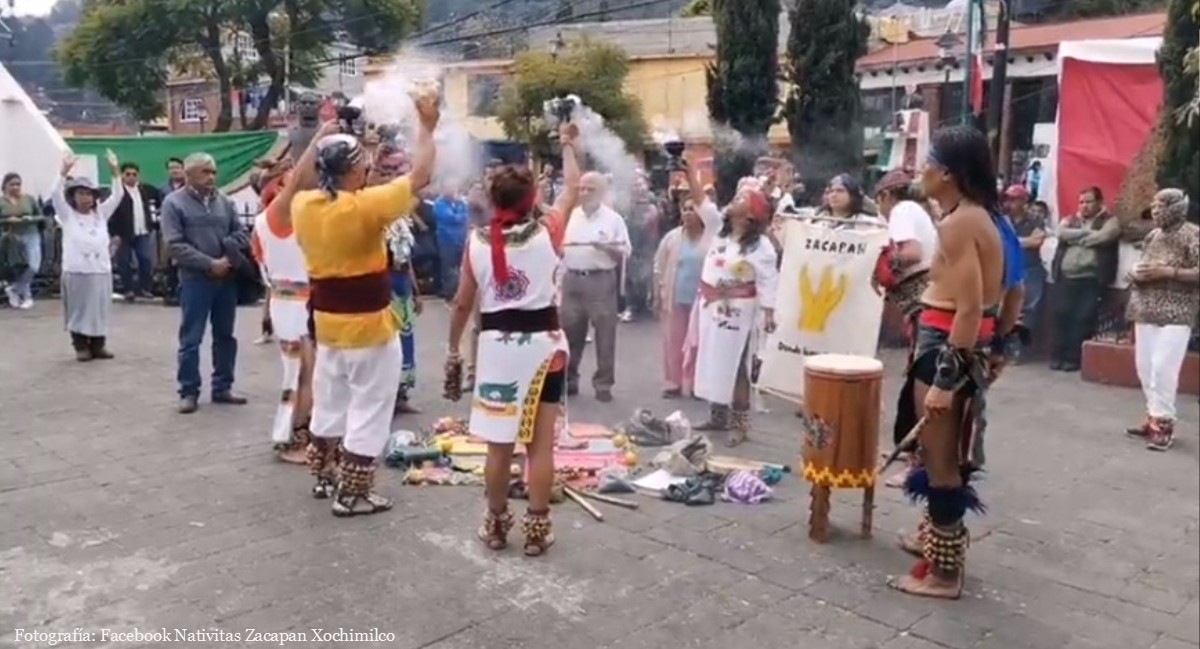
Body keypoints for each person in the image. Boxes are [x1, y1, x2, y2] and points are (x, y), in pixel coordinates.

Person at [889, 125, 1024, 600]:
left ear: (947, 173)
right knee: (939, 457)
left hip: (946, 349)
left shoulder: (960, 223)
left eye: (928, 162)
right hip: (954, 346)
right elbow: (1000, 294)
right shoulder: (978, 217)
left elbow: (968, 308)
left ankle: (945, 576)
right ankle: (939, 557)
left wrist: (945, 381)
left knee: (942, 464)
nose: (920, 171)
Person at [291, 94, 438, 517]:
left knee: (329, 403)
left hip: (327, 326)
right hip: (369, 327)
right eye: (364, 165)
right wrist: (428, 126)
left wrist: (323, 139)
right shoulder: (368, 206)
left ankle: (324, 477)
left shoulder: (303, 205)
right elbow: (422, 174)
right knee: (370, 409)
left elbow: (301, 179)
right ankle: (352, 494)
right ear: (355, 171)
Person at [444, 120, 581, 556]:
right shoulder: (548, 231)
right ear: (532, 199)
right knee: (539, 446)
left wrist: (452, 348)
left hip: (498, 352)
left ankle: (496, 525)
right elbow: (573, 188)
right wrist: (568, 145)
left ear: (492, 200)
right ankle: (537, 530)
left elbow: (462, 304)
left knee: (499, 447)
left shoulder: (475, 243)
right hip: (545, 350)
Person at [251, 125, 335, 464]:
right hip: (292, 306)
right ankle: (293, 438)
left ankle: (299, 434)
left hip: (298, 304)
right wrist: (319, 137)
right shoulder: (274, 216)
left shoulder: (286, 219)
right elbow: (302, 179)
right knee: (302, 372)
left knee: (307, 372)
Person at [688, 181, 778, 447]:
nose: (733, 199)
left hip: (737, 311)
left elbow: (768, 280)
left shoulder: (761, 247)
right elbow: (701, 202)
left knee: (736, 364)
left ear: (751, 215)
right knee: (711, 358)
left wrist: (769, 313)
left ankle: (741, 424)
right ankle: (717, 416)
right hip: (710, 304)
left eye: (741, 198)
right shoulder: (719, 230)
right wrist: (689, 170)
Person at [161, 153, 249, 414]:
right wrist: (209, 264)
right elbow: (175, 245)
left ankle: (222, 387)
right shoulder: (173, 203)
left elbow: (241, 233)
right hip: (195, 281)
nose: (211, 177)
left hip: (226, 280)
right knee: (191, 338)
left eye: (213, 172)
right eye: (205, 172)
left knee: (225, 336)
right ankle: (188, 391)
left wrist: (228, 257)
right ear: (188, 175)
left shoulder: (225, 202)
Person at [872, 169, 939, 488]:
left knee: (922, 382)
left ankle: (920, 463)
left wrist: (886, 264)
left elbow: (911, 253)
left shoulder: (901, 211)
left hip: (925, 306)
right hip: (925, 304)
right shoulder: (917, 211)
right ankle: (911, 449)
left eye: (879, 201)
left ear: (886, 196)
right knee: (917, 378)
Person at [1124, 189, 1199, 451]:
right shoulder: (1153, 235)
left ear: (1176, 208)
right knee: (1145, 368)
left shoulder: (1192, 234)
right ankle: (1153, 417)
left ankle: (1164, 425)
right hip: (1145, 308)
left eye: (1161, 206)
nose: (1156, 211)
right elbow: (1142, 264)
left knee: (1163, 368)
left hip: (1176, 310)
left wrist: (1168, 272)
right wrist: (1135, 273)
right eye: (1154, 206)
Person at [561, 172, 631, 402]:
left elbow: (625, 252)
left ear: (601, 192)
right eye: (581, 188)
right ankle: (569, 379)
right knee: (569, 332)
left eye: (590, 189)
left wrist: (606, 248)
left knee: (605, 334)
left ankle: (603, 385)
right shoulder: (570, 215)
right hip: (572, 279)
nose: (584, 193)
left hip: (600, 280)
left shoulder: (613, 219)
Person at [51, 150, 125, 360]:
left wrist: (115, 172)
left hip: (100, 270)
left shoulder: (101, 214)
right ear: (73, 197)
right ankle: (81, 346)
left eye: (89, 194)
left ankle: (98, 345)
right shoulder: (67, 215)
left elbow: (118, 195)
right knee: (79, 309)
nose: (85, 198)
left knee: (99, 308)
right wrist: (63, 172)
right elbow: (55, 194)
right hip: (77, 271)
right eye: (80, 194)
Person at [653, 164, 713, 399]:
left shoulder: (712, 239)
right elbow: (658, 267)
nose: (687, 213)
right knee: (673, 342)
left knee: (700, 343)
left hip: (703, 301)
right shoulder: (672, 238)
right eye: (684, 209)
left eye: (692, 209)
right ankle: (673, 382)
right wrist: (657, 293)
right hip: (676, 297)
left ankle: (697, 384)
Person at [370, 150, 423, 415]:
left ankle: (401, 394)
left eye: (394, 172)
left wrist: (415, 289)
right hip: (382, 282)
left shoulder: (399, 213)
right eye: (384, 172)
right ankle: (384, 397)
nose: (390, 177)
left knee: (405, 337)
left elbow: (406, 255)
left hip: (401, 282)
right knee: (385, 341)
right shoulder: (372, 210)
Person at [1049, 186, 1119, 372]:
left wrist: (1075, 237)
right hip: (1066, 277)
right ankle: (1057, 357)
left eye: (1089, 202)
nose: (1084, 206)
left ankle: (1073, 359)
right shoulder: (1070, 219)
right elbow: (1060, 233)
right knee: (1061, 316)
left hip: (1091, 279)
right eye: (1081, 202)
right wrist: (1086, 234)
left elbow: (1105, 236)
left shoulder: (1109, 221)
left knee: (1082, 318)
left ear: (1099, 202)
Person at [109, 162, 163, 302]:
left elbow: (157, 203)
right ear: (122, 175)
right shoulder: (118, 192)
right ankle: (128, 289)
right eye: (128, 174)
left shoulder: (146, 190)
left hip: (143, 231)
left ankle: (144, 288)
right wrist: (114, 233)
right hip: (123, 233)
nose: (131, 177)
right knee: (124, 261)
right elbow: (112, 213)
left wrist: (153, 222)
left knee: (146, 259)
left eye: (134, 174)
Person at [1005, 186, 1047, 360]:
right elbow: (1001, 242)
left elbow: (1037, 241)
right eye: (1008, 199)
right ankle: (1007, 347)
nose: (1010, 203)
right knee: (1008, 309)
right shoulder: (1004, 219)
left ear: (1023, 201)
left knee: (1029, 311)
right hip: (1009, 270)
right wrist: (1023, 241)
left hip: (1031, 269)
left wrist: (1014, 241)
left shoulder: (1035, 219)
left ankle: (1021, 349)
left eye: (1014, 199)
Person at [2, 172, 46, 309]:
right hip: (12, 237)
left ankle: (15, 289)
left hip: (31, 234)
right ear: (5, 186)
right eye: (12, 184)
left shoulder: (29, 199)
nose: (16, 187)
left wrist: (30, 218)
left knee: (34, 265)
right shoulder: (2, 202)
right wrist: (7, 220)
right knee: (20, 267)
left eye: (18, 184)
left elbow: (41, 216)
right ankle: (26, 297)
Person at [433, 188, 469, 300]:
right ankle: (449, 291)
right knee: (448, 266)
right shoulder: (439, 203)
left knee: (462, 267)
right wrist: (460, 217)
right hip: (446, 240)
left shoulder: (461, 203)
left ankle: (461, 291)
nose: (453, 191)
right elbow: (449, 218)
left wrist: (460, 217)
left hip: (461, 239)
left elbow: (467, 216)